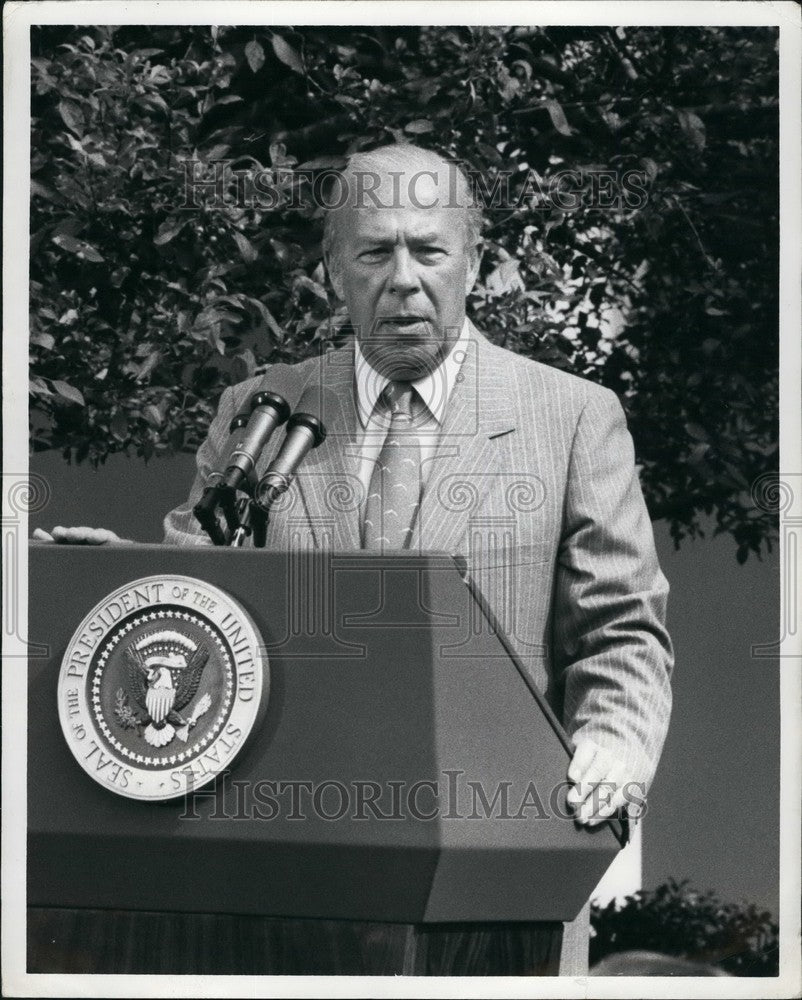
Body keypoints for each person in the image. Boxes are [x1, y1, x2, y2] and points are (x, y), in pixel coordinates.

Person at [36, 143, 673, 975]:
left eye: (429, 250)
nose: (403, 279)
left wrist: (615, 744)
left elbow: (621, 630)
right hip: (283, 876)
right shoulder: (263, 408)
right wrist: (117, 581)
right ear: (334, 270)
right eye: (375, 252)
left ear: (474, 261)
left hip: (496, 886)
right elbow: (203, 590)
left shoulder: (573, 417)